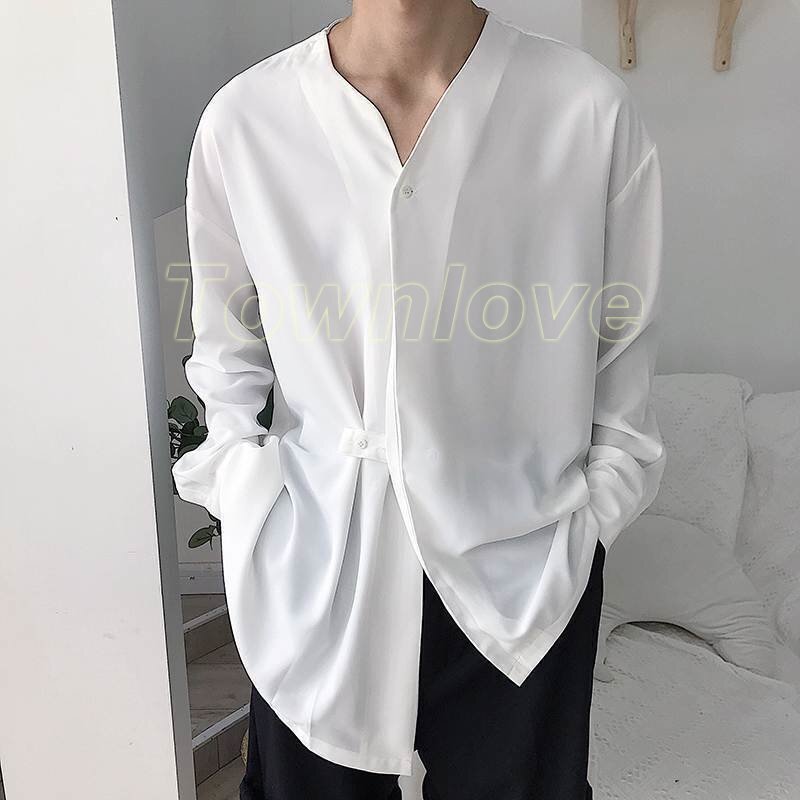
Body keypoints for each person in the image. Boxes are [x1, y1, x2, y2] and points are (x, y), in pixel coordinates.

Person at [171, 1, 667, 798]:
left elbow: (624, 352)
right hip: (319, 563)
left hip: (527, 564)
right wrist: (246, 488)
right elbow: (225, 352)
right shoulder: (249, 120)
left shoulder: (585, 111)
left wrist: (593, 518)